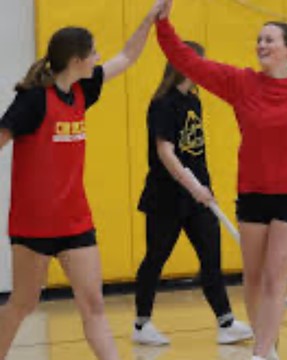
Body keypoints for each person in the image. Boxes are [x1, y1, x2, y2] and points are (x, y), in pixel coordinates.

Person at [153, 1, 287, 359]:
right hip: (253, 194)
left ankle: (259, 354)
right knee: (255, 278)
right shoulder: (240, 83)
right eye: (259, 40)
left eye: (270, 40)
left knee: (276, 278)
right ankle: (268, 348)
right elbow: (188, 62)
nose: (261, 45)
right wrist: (164, 24)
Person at [0, 1, 166, 359]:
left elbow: (126, 57)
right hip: (33, 225)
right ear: (76, 60)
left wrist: (149, 19)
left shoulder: (82, 90)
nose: (98, 57)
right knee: (22, 304)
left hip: (75, 221)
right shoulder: (32, 102)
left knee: (94, 306)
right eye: (93, 52)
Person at [133, 40, 252, 346]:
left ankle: (226, 322)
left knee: (211, 257)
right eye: (199, 63)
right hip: (167, 197)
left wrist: (204, 188)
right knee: (156, 258)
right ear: (183, 64)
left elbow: (195, 151)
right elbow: (166, 152)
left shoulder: (193, 101)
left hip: (199, 197)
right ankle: (141, 324)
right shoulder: (163, 103)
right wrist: (192, 185)